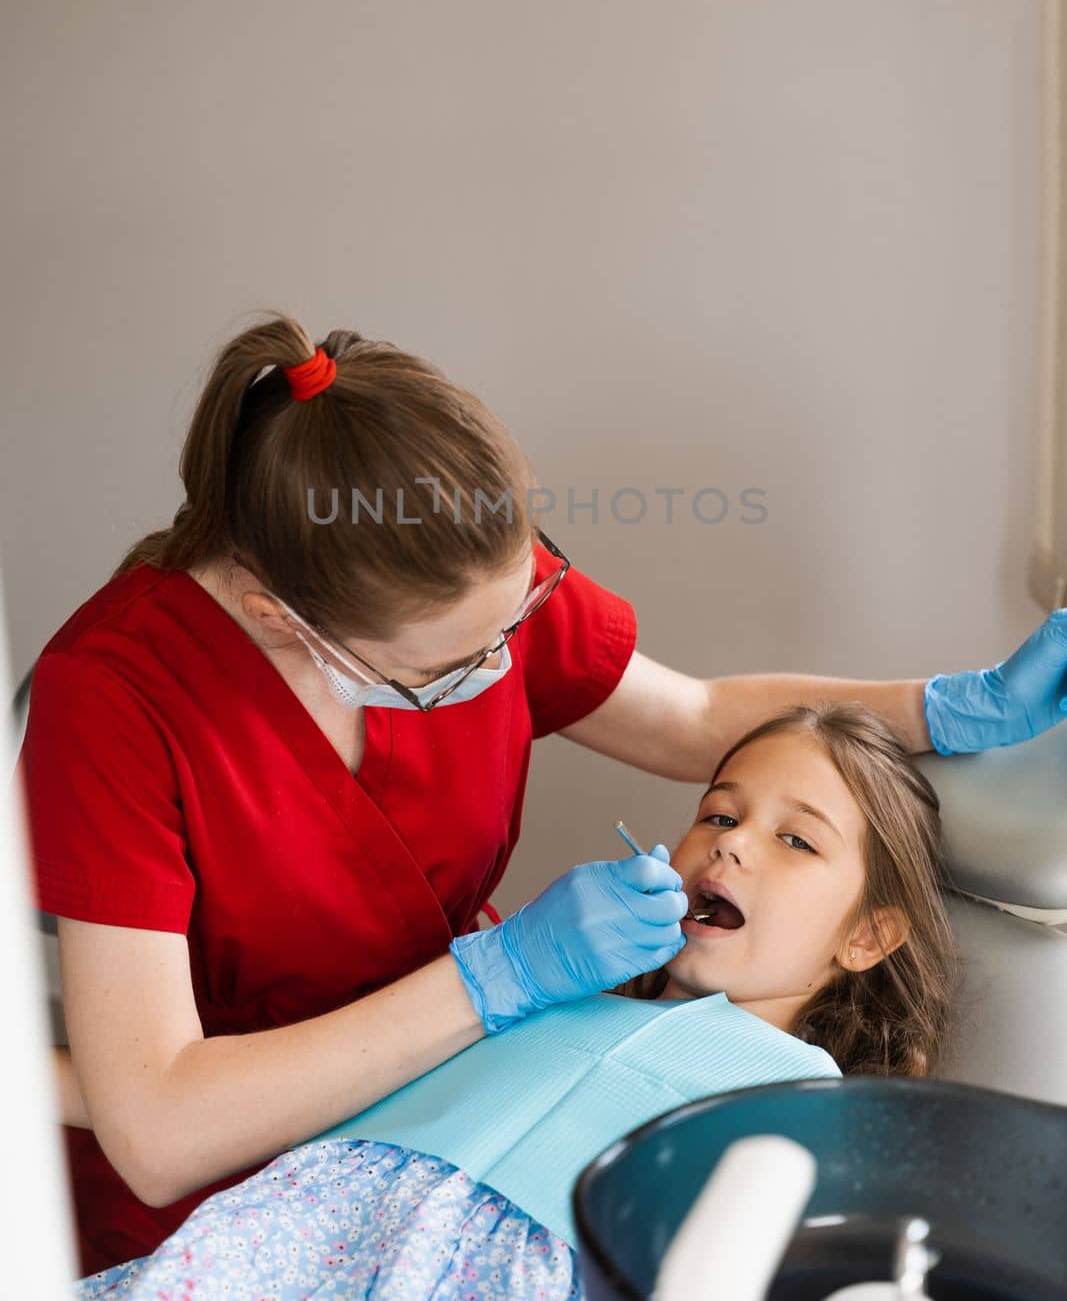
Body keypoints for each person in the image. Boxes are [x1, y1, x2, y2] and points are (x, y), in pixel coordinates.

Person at [17, 311, 1067, 1278]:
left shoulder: (471, 581)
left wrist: (946, 707)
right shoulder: (114, 699)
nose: (504, 661)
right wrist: (496, 979)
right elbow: (153, 1125)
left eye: (515, 621)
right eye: (459, 664)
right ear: (283, 618)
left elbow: (700, 717)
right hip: (238, 1192)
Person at [69, 701, 958, 1300]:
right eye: (719, 816)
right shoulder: (534, 991)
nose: (730, 850)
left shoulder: (808, 1095)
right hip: (274, 1253)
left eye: (795, 840)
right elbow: (232, 1092)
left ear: (867, 938)